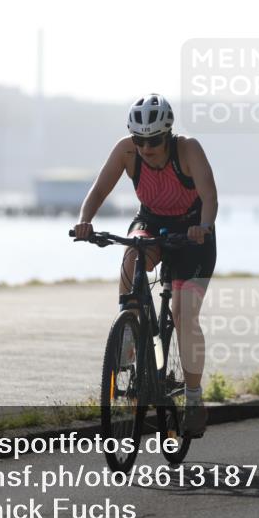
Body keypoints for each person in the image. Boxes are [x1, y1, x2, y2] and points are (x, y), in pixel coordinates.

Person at [73, 93, 218, 437]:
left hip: (192, 233)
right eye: (139, 140)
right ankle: (129, 337)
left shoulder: (188, 150)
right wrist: (85, 221)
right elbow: (98, 191)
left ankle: (194, 399)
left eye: (152, 141)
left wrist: (205, 227)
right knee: (131, 256)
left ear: (167, 135)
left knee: (184, 314)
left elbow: (209, 195)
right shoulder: (125, 150)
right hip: (151, 222)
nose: (145, 148)